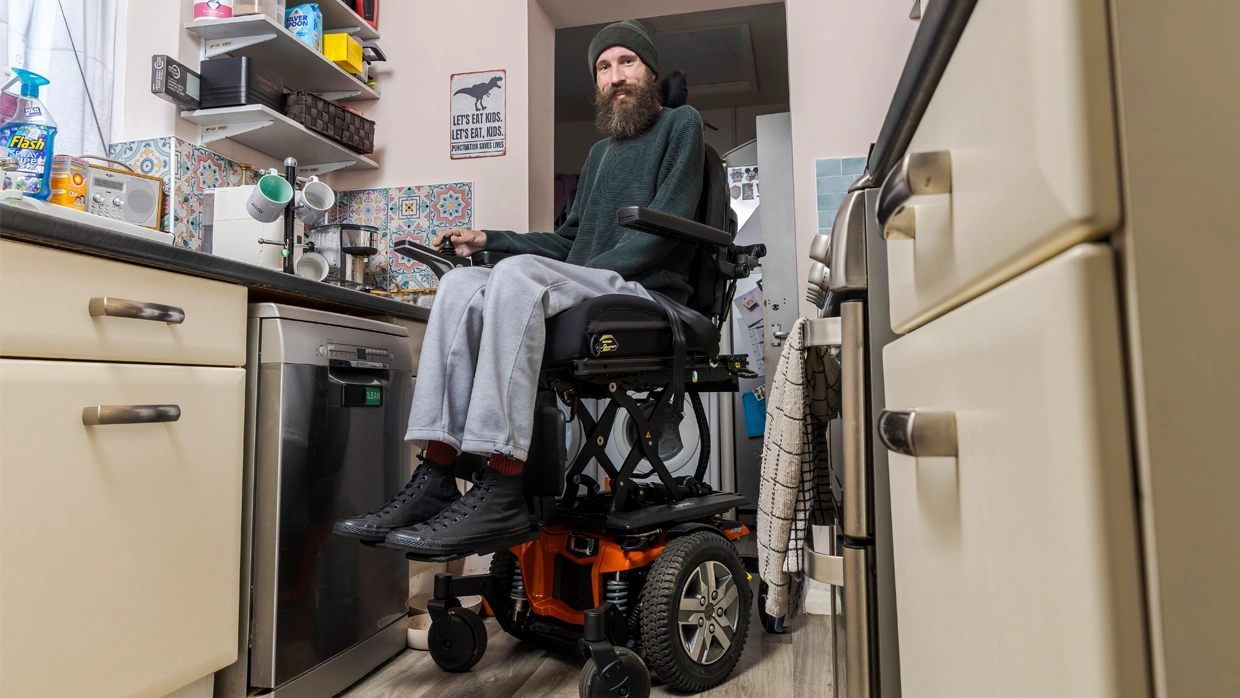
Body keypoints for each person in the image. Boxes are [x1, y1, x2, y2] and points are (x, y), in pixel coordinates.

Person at [334, 19, 706, 556]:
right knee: (463, 283)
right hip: (593, 281)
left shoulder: (681, 125)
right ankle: (438, 474)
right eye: (604, 67)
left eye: (627, 63)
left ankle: (503, 484)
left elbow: (668, 227)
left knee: (516, 276)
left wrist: (576, 273)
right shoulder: (599, 156)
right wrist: (492, 237)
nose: (615, 76)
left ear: (649, 72)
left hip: (643, 290)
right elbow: (566, 243)